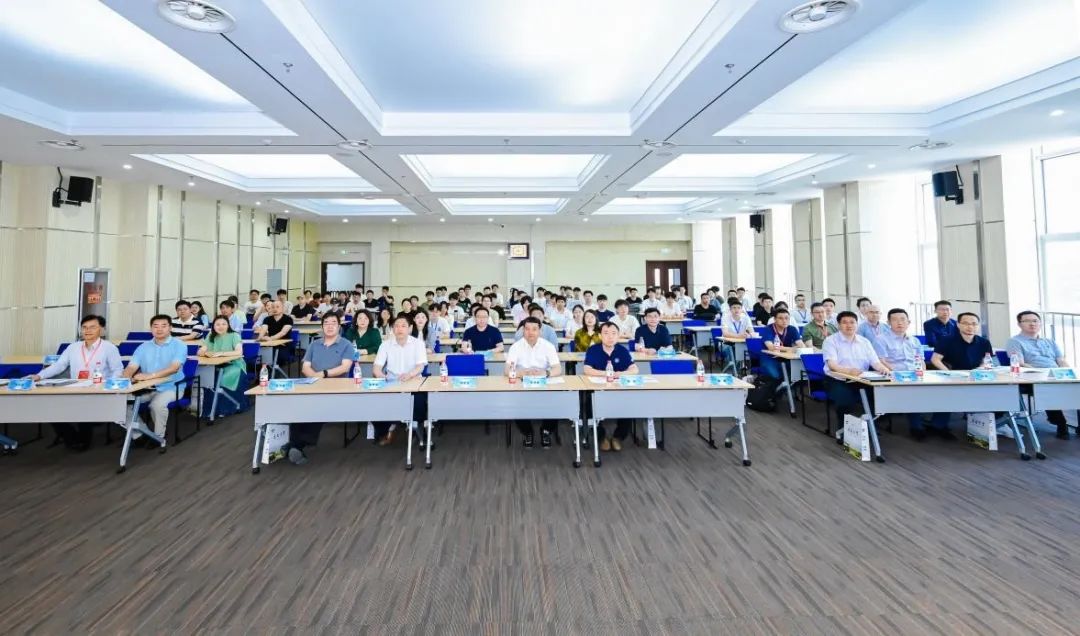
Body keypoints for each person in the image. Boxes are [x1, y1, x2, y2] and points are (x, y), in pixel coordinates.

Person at [32, 315, 123, 450]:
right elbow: (59, 366)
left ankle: (82, 441)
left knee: (84, 407)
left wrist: (109, 386)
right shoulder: (73, 347)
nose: (87, 330)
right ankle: (72, 438)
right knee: (49, 408)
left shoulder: (109, 348)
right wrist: (39, 376)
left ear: (102, 330)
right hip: (75, 389)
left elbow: (117, 370)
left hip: (98, 391)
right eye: (84, 327)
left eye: (92, 327)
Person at [278, 313, 355, 464]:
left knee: (318, 407)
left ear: (339, 326)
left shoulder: (346, 344)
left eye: (333, 323)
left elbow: (345, 367)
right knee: (298, 406)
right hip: (312, 385)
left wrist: (323, 374)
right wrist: (314, 378)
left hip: (336, 388)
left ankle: (296, 445)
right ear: (322, 327)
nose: (330, 326)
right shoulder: (314, 344)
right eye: (326, 323)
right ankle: (295, 445)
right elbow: (305, 367)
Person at [123, 314, 189, 445]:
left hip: (171, 387)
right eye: (155, 326)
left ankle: (158, 437)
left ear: (170, 328)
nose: (159, 329)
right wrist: (126, 377)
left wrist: (150, 376)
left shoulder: (179, 345)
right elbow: (131, 367)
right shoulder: (143, 346)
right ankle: (139, 434)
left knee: (156, 405)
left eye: (163, 326)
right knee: (120, 404)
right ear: (151, 329)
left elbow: (173, 368)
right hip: (146, 388)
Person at [928, 312, 995, 438]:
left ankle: (981, 425)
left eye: (974, 324)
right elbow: (935, 359)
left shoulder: (984, 342)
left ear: (978, 326)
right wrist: (949, 374)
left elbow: (987, 361)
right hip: (952, 377)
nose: (970, 327)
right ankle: (938, 426)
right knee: (947, 395)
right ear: (958, 324)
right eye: (966, 323)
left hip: (975, 377)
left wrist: (979, 370)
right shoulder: (947, 340)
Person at [1007, 310, 1072, 439]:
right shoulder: (1015, 341)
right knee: (1048, 388)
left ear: (1040, 323)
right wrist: (1041, 373)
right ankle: (1061, 423)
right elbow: (1020, 364)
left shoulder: (1049, 341)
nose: (1032, 324)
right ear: (1019, 324)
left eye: (1035, 321)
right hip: (1032, 378)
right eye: (1027, 321)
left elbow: (1061, 360)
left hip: (1055, 375)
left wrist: (1069, 374)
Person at [873, 308, 935, 440]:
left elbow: (921, 361)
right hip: (894, 376)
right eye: (895, 320)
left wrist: (923, 374)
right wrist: (899, 374)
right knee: (912, 392)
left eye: (902, 319)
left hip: (915, 376)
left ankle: (937, 425)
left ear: (908, 322)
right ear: (888, 323)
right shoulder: (881, 339)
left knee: (940, 391)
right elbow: (881, 361)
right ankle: (916, 427)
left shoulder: (914, 341)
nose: (899, 323)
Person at [822, 311, 892, 427]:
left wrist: (884, 369)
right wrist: (849, 371)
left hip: (862, 380)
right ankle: (844, 430)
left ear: (857, 324)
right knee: (845, 401)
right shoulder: (830, 341)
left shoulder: (864, 341)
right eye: (844, 322)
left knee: (881, 398)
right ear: (838, 325)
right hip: (838, 380)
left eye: (852, 322)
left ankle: (869, 427)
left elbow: (875, 362)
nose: (849, 325)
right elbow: (832, 365)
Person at [370, 314, 428, 447]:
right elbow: (376, 368)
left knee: (419, 406)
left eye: (403, 326)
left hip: (413, 382)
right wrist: (382, 377)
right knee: (375, 404)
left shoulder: (418, 344)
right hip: (391, 383)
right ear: (392, 329)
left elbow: (420, 366)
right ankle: (385, 431)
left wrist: (409, 375)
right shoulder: (385, 345)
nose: (399, 329)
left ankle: (418, 431)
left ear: (410, 328)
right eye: (396, 326)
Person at [505, 316, 563, 448]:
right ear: (523, 331)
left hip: (544, 383)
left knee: (558, 401)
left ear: (540, 331)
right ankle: (528, 432)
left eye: (534, 329)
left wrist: (546, 373)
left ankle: (546, 431)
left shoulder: (548, 346)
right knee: (514, 403)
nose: (530, 332)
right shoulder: (516, 347)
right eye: (527, 329)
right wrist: (521, 373)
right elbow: (507, 370)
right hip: (522, 383)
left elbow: (558, 368)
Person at [584, 323, 640, 451]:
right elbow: (587, 369)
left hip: (619, 390)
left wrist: (620, 374)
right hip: (597, 390)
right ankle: (601, 437)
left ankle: (618, 437)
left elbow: (634, 369)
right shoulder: (593, 350)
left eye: (614, 333)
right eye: (606, 333)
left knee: (630, 405)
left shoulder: (622, 350)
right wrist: (606, 373)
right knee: (588, 405)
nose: (610, 337)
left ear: (618, 335)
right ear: (600, 335)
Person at [197, 315, 245, 395]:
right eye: (218, 324)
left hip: (233, 364)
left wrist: (221, 354)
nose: (221, 327)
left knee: (224, 377)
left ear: (228, 325)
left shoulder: (234, 335)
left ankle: (223, 399)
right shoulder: (211, 335)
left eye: (224, 324)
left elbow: (239, 352)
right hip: (214, 364)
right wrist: (205, 353)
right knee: (202, 374)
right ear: (213, 326)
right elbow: (200, 351)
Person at [760, 308, 806, 380]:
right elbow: (771, 348)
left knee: (798, 372)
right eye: (780, 318)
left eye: (786, 318)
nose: (784, 321)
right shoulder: (768, 329)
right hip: (770, 357)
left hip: (787, 357)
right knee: (776, 376)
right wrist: (791, 349)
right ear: (775, 319)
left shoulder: (792, 329)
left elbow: (802, 346)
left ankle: (788, 385)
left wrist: (784, 349)